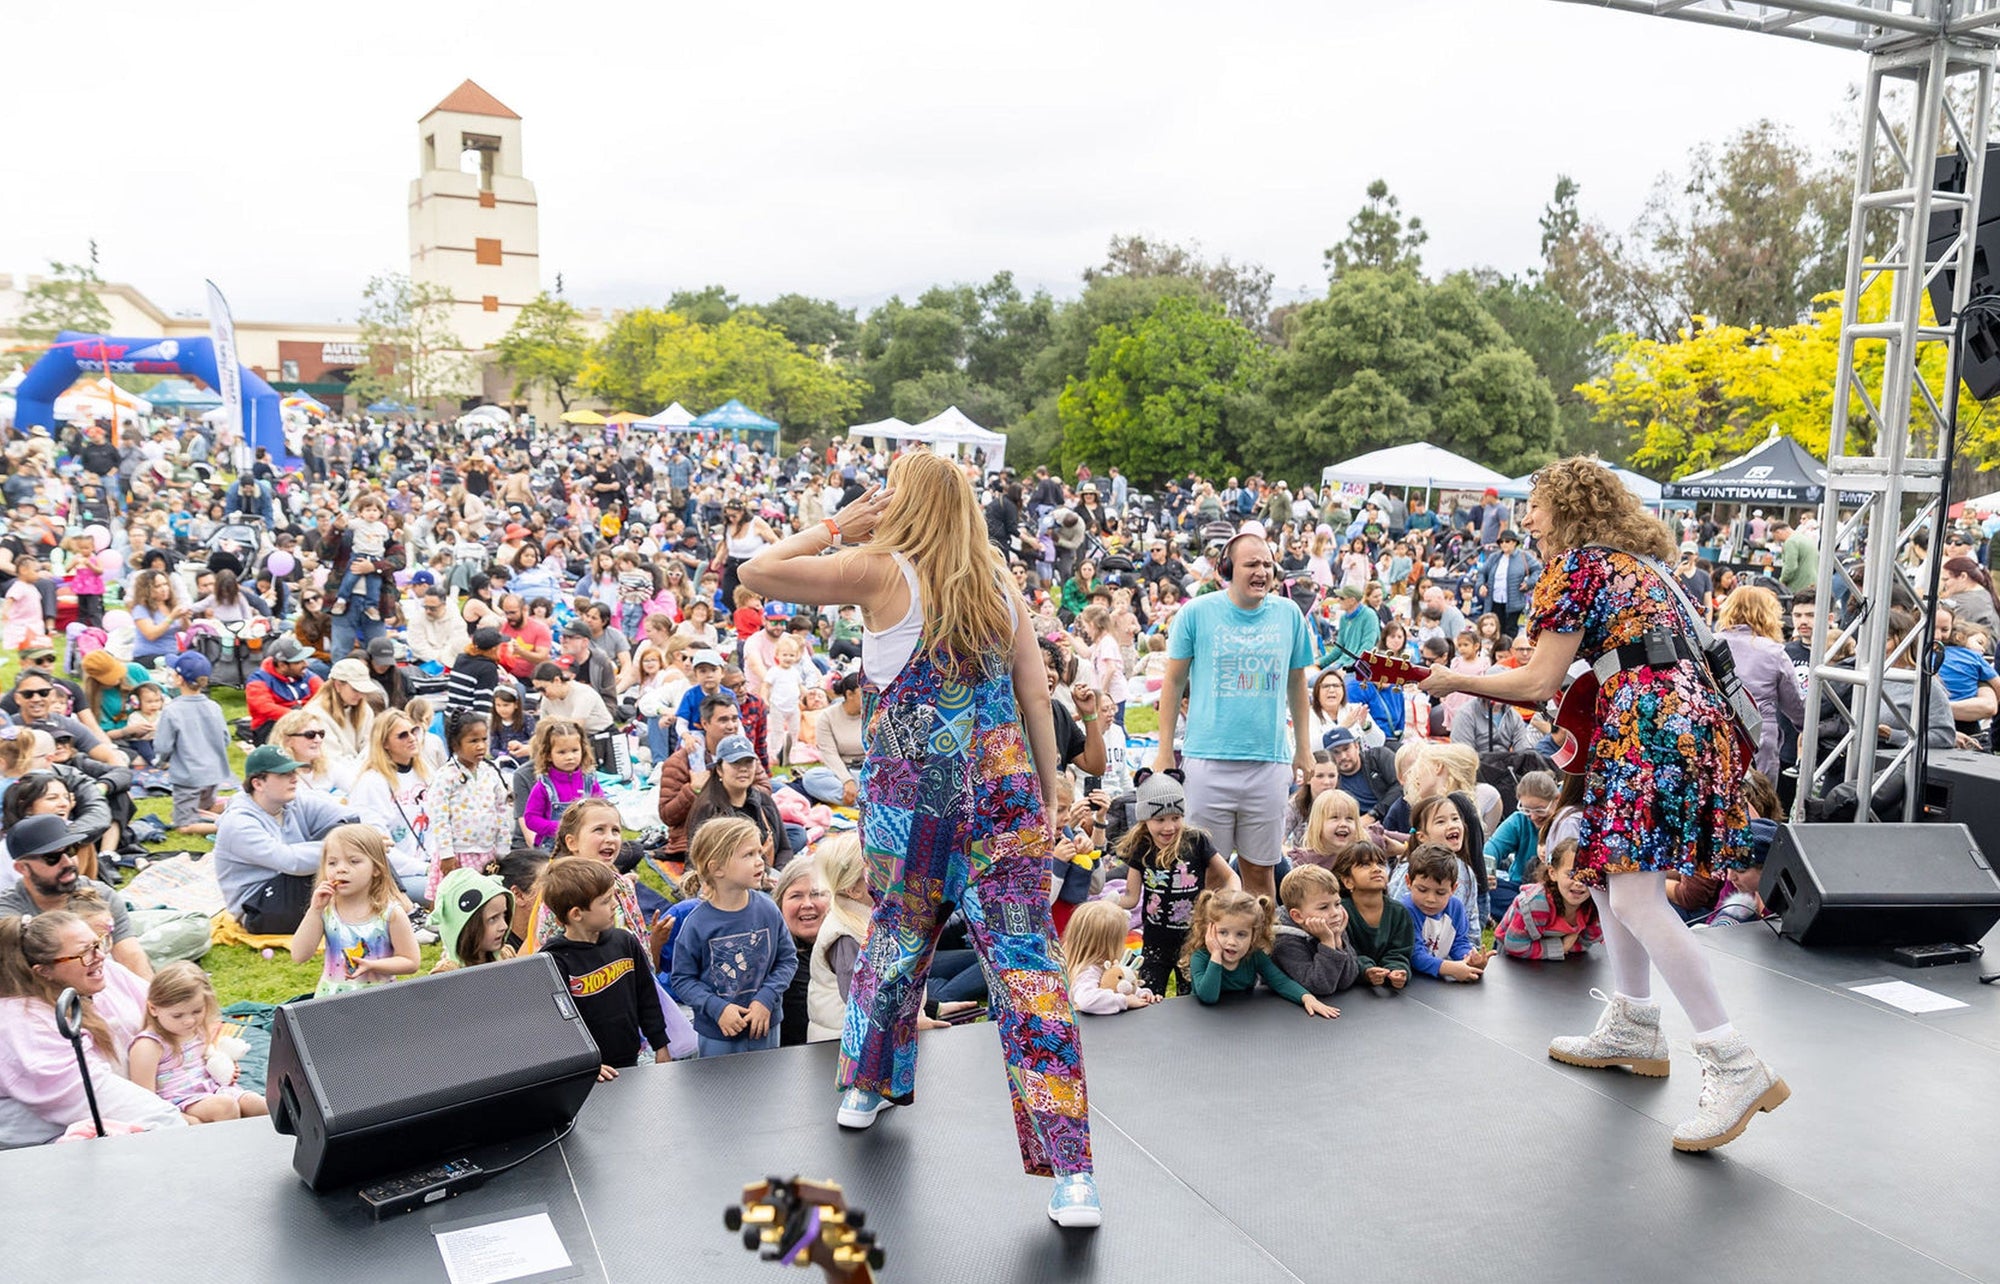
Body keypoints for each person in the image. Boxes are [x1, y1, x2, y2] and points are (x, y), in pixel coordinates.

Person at [739, 449, 1097, 1226]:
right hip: (1004, 815)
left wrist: (835, 525)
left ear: (899, 504)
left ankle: (866, 1089)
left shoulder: (880, 571)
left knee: (895, 947)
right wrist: (1047, 797)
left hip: (913, 818)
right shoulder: (999, 584)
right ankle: (1073, 1175)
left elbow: (756, 574)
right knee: (1030, 981)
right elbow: (1038, 699)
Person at [1416, 456, 1785, 1152]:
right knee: (1614, 881)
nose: (1527, 516)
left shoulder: (1579, 566)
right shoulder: (1640, 567)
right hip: (1683, 723)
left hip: (1646, 724)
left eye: (1538, 503)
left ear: (1571, 508)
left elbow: (1537, 681)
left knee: (1639, 898)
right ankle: (1634, 1022)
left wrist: (1448, 678)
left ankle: (1733, 1061)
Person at [1152, 526, 1314, 903]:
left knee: (1261, 872)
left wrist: (1302, 748)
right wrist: (1164, 751)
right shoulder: (1196, 613)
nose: (1262, 572)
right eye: (1252, 564)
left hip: (1268, 763)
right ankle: (1203, 958)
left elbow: (1297, 684)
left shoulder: (1289, 614)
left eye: (1268, 565)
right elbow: (1173, 683)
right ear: (1227, 568)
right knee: (1207, 873)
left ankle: (1260, 955)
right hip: (1208, 761)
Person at [0, 910, 184, 1147]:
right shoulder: (24, 1026)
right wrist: (179, 1117)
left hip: (133, 1103)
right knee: (172, 1130)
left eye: (98, 943)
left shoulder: (104, 974)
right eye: (84, 952)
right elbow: (97, 1096)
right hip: (34, 1152)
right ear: (43, 971)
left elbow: (168, 1012)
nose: (100, 956)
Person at [669, 816, 797, 1058]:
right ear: (717, 868)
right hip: (719, 1033)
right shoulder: (697, 924)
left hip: (765, 1026)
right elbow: (683, 979)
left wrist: (766, 998)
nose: (760, 861)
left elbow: (787, 960)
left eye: (759, 853)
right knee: (721, 1093)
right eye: (748, 855)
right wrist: (718, 1009)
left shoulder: (768, 909)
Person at [538, 857, 670, 1081]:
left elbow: (646, 996)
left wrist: (661, 1044)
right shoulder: (553, 960)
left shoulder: (624, 942)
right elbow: (556, 1026)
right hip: (587, 1073)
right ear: (576, 914)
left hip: (630, 1060)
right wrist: (583, 1065)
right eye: (606, 900)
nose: (614, 905)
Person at [1107, 770, 1233, 996]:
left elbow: (1230, 876)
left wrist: (1232, 899)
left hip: (1192, 939)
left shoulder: (1195, 841)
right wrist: (1111, 901)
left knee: (1191, 1001)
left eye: (1176, 817)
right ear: (1144, 819)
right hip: (1155, 942)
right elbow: (1132, 897)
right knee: (1148, 996)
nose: (1169, 827)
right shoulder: (1142, 847)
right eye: (1160, 819)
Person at [213, 745, 363, 934]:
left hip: (290, 884)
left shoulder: (293, 800)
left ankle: (401, 906)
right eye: (283, 774)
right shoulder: (238, 823)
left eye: (293, 771)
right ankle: (398, 909)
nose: (294, 778)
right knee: (354, 852)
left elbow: (350, 817)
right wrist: (348, 849)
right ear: (258, 784)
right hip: (258, 907)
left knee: (357, 838)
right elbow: (290, 861)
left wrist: (360, 841)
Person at [0, 814, 152, 979]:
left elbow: (131, 957)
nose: (68, 862)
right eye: (52, 857)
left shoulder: (101, 894)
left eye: (71, 850)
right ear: (22, 868)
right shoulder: (8, 916)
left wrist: (149, 1002)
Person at [288, 824, 422, 998]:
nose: (340, 869)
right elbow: (299, 955)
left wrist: (373, 965)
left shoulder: (390, 913)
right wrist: (314, 910)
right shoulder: (327, 910)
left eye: (354, 861)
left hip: (378, 1002)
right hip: (331, 1002)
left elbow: (411, 962)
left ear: (376, 868)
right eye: (332, 862)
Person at [128, 961, 268, 1123]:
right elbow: (145, 1099)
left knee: (259, 1105)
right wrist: (185, 1120)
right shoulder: (149, 1045)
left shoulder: (197, 1029)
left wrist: (226, 1068)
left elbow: (206, 1059)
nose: (189, 1021)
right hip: (180, 1102)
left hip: (214, 1090)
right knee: (225, 1107)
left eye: (197, 1011)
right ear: (153, 1009)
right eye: (177, 1015)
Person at [1183, 888, 1338, 1017]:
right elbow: (1208, 997)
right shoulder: (1201, 957)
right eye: (1223, 932)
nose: (1231, 941)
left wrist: (1307, 998)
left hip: (1243, 1017)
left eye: (1241, 934)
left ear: (1253, 935)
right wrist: (1216, 956)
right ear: (1209, 930)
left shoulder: (1254, 956)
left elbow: (1280, 981)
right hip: (1205, 1022)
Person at [1715, 586, 1806, 779]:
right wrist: (1805, 726)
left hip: (1716, 732)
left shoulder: (1709, 643)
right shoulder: (1774, 652)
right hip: (1758, 738)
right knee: (1758, 801)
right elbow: (1795, 705)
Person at [345, 711, 436, 905]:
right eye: (402, 735)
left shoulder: (425, 771)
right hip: (399, 876)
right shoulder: (371, 783)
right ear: (384, 743)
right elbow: (378, 848)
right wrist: (424, 868)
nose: (412, 738)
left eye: (414, 731)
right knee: (449, 892)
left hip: (433, 864)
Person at [153, 653, 233, 837]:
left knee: (183, 825)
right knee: (203, 807)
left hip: (188, 777)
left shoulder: (172, 710)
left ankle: (228, 827)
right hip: (214, 774)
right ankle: (230, 808)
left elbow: (163, 746)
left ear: (179, 679)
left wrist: (160, 762)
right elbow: (226, 739)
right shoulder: (214, 706)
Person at [685, 734, 792, 869]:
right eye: (735, 763)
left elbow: (785, 849)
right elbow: (696, 863)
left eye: (748, 762)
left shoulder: (763, 800)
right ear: (719, 769)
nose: (743, 769)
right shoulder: (708, 809)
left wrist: (778, 877)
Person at [1497, 837, 1603, 961]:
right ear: (1553, 873)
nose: (1579, 882)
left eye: (1587, 875)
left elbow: (1589, 940)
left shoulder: (1593, 904)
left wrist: (1570, 945)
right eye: (1571, 874)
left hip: (1553, 961)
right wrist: (1562, 947)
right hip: (1512, 959)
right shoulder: (1536, 904)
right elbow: (1515, 946)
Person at [1398, 843, 1488, 983]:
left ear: (1453, 888)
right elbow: (1414, 955)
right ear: (1408, 882)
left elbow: (1459, 943)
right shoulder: (1405, 910)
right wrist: (1449, 968)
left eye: (1440, 892)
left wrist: (1469, 958)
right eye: (1422, 890)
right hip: (1408, 981)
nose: (1430, 899)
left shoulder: (1456, 908)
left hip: (1436, 983)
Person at [1271, 864, 1360, 1002]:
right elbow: (1320, 987)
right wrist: (1327, 943)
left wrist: (1337, 940)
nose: (1335, 913)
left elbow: (1347, 980)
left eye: (1337, 904)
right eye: (1324, 907)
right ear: (1297, 916)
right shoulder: (1284, 940)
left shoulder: (1331, 926)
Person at [1335, 841, 1413, 991]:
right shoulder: (1340, 913)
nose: (1376, 869)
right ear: (1348, 881)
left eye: (1380, 863)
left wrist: (1397, 970)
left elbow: (1399, 952)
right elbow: (1345, 952)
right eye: (1365, 865)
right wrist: (1366, 970)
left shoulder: (1399, 912)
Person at [1063, 899, 1162, 1014]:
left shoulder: (1106, 965)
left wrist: (1141, 994)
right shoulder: (1088, 970)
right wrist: (1124, 1001)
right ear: (1110, 944)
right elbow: (1087, 1000)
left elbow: (1118, 986)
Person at [771, 857, 829, 1047]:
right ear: (779, 904)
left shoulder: (845, 946)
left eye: (817, 894)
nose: (807, 904)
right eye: (796, 896)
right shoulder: (781, 960)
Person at [521, 719, 605, 848]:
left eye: (575, 750)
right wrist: (559, 828)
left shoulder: (589, 781)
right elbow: (531, 818)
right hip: (553, 846)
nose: (570, 757)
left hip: (584, 843)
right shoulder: (544, 786)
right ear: (548, 755)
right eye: (562, 752)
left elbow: (602, 809)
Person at [430, 867, 517, 973]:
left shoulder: (506, 956)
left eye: (504, 915)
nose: (504, 926)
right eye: (493, 919)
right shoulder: (447, 975)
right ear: (466, 926)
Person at [244, 633, 322, 744]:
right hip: (272, 728)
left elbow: (324, 695)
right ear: (282, 665)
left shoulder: (306, 674)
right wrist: (298, 717)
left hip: (307, 720)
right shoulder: (258, 680)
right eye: (298, 661)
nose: (306, 664)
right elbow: (265, 707)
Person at [1324, 726, 1402, 826]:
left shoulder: (1378, 757)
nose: (1343, 756)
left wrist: (1374, 814)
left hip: (1395, 818)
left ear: (1357, 746)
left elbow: (1401, 784)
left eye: (1346, 749)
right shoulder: (1330, 781)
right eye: (1336, 752)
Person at [532, 661, 612, 736]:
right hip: (577, 738)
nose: (542, 694)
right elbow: (543, 728)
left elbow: (575, 727)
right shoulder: (546, 699)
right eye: (538, 690)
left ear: (557, 680)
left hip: (602, 734)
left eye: (543, 689)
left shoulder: (583, 693)